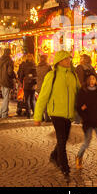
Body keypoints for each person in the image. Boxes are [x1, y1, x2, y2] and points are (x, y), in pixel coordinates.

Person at [34, 50, 81, 178]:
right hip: (56, 113)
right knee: (61, 140)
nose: (68, 61)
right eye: (66, 59)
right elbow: (43, 96)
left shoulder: (73, 75)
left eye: (69, 59)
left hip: (69, 113)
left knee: (64, 139)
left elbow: (80, 93)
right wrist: (38, 116)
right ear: (59, 61)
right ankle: (64, 167)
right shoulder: (52, 75)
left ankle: (54, 156)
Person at [75, 73, 97, 179]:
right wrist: (83, 112)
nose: (92, 81)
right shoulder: (83, 91)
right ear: (87, 80)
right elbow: (78, 106)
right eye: (90, 79)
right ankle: (79, 156)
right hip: (88, 122)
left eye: (93, 79)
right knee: (87, 142)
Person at [0, 48, 16, 118]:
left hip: (1, 81)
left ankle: (1, 113)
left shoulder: (0, 60)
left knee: (4, 97)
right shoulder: (9, 61)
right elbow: (10, 72)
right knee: (6, 98)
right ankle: (4, 113)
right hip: (7, 81)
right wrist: (14, 76)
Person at [18, 53, 37, 118]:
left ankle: (28, 114)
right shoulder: (35, 65)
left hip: (26, 84)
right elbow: (36, 75)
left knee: (27, 99)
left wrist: (20, 82)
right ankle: (35, 113)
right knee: (33, 99)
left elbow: (21, 75)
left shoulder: (24, 65)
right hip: (33, 84)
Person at [36, 54, 52, 122]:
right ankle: (47, 117)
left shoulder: (37, 66)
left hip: (39, 86)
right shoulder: (48, 67)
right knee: (46, 102)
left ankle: (40, 116)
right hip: (46, 86)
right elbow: (51, 75)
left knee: (40, 101)